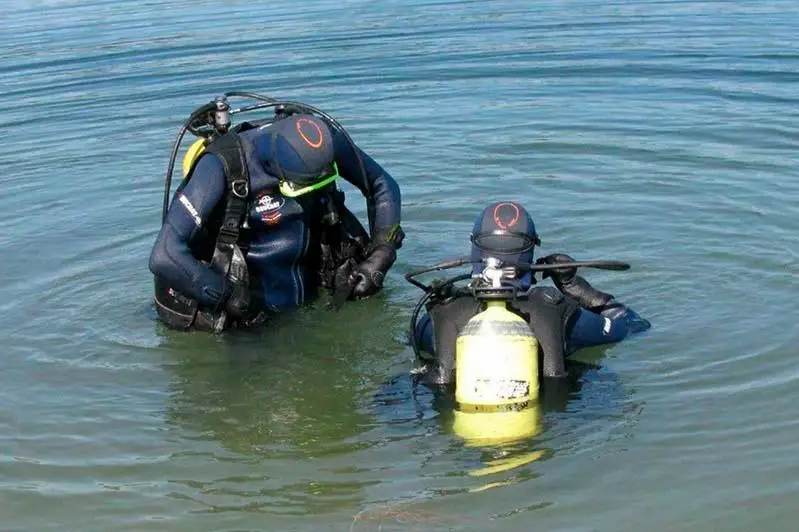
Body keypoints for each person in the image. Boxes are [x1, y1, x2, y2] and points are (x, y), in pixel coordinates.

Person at [149, 101, 404, 332]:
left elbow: (382, 184)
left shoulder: (324, 137)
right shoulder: (220, 166)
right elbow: (165, 254)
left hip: (317, 294)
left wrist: (382, 253)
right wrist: (229, 299)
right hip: (251, 314)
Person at [413, 201, 650, 386]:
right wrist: (573, 285)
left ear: (475, 248)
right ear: (530, 252)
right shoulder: (554, 311)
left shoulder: (443, 313)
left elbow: (409, 338)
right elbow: (633, 325)